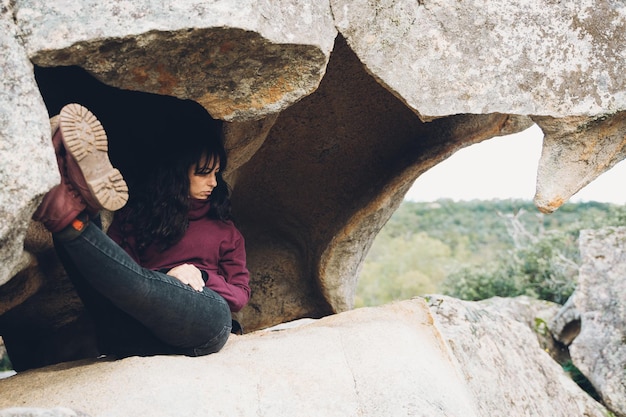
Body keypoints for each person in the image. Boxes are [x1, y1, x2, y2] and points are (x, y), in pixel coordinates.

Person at [33, 103, 250, 358]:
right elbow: (115, 275)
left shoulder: (225, 231)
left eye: (215, 173)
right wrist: (166, 276)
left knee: (138, 285)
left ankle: (69, 210)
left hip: (203, 324)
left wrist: (200, 276)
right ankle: (71, 205)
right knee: (101, 277)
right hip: (134, 332)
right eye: (203, 173)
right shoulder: (135, 219)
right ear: (178, 173)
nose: (213, 182)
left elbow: (240, 296)